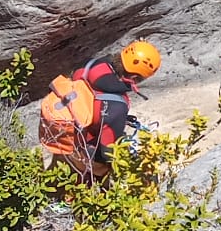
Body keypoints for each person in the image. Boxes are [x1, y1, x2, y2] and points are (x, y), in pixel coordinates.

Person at [39, 40, 162, 183]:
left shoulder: (89, 65)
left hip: (63, 130)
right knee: (129, 169)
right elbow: (108, 153)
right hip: (80, 147)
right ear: (134, 78)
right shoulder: (117, 106)